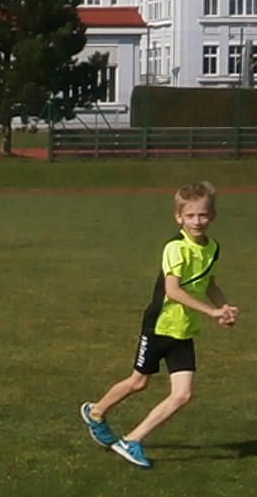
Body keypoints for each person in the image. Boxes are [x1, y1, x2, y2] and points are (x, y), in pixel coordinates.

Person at [81, 179, 238, 470]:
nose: (197, 221)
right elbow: (173, 291)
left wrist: (224, 308)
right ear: (179, 217)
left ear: (213, 215)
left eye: (203, 215)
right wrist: (211, 312)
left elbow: (209, 283)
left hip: (184, 330)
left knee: (183, 394)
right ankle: (96, 412)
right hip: (160, 326)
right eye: (190, 215)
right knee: (138, 382)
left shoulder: (212, 248)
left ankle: (132, 440)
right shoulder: (175, 248)